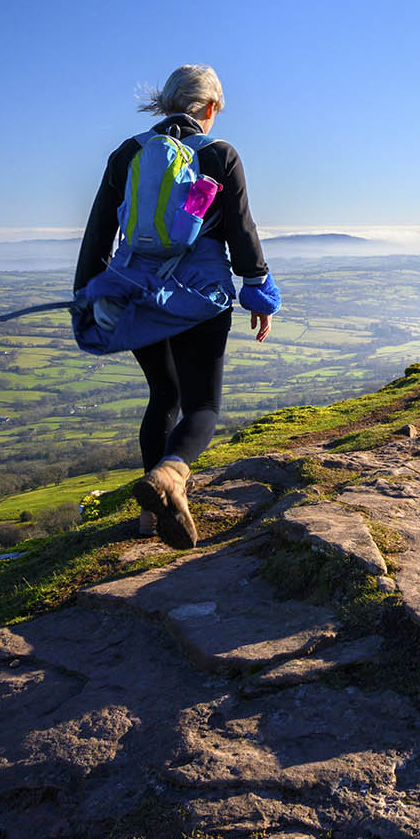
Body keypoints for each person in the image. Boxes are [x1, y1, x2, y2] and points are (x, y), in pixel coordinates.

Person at [74, 65, 275, 548]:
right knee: (202, 403)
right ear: (209, 108)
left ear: (165, 105)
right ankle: (171, 477)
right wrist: (257, 289)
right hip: (199, 299)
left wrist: (89, 293)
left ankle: (149, 520)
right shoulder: (219, 154)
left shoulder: (129, 154)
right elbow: (241, 233)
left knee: (164, 395)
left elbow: (100, 230)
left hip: (138, 291)